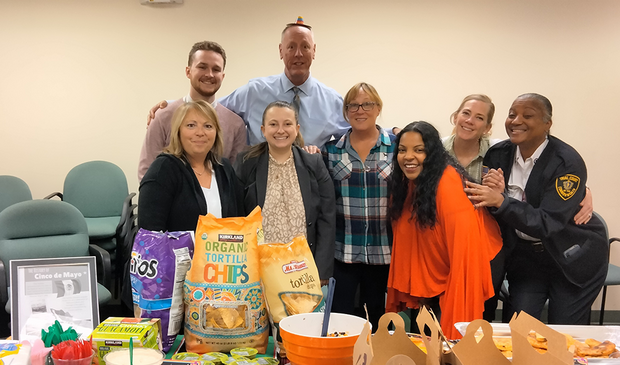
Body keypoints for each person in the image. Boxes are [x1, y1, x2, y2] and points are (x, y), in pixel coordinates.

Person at [465, 93, 607, 324]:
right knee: (518, 327)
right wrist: (497, 198)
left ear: (547, 124)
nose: (516, 121)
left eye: (527, 116)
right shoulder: (499, 154)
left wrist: (501, 200)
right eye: (512, 115)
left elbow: (547, 222)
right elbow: (492, 209)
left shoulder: (566, 162)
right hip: (527, 259)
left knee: (564, 333)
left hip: (571, 256)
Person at [386, 121, 502, 340]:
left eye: (419, 150)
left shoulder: (448, 185)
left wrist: (453, 313)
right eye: (402, 150)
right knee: (427, 339)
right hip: (439, 265)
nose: (408, 156)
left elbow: (464, 257)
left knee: (453, 337)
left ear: (432, 153)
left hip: (470, 265)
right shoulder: (406, 182)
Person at [235, 101, 336, 283]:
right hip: (258, 269)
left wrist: (321, 272)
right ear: (263, 130)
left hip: (303, 269)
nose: (280, 130)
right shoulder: (246, 163)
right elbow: (236, 216)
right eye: (273, 124)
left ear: (297, 128)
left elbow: (327, 219)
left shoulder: (314, 164)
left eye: (287, 124)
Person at [322, 82, 394, 331]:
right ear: (346, 111)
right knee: (340, 321)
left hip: (385, 252)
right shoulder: (331, 150)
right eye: (353, 105)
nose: (360, 110)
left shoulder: (396, 147)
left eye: (367, 104)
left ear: (378, 108)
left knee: (378, 320)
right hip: (344, 252)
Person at [138, 41, 246, 180]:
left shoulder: (235, 124)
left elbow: (236, 178)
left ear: (223, 76)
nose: (210, 74)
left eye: (216, 69)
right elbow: (146, 172)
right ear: (188, 71)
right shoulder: (162, 117)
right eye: (202, 67)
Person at [139, 100, 243, 232]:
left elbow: (240, 223)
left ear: (216, 133)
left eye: (208, 126)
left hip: (224, 252)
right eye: (191, 125)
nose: (200, 132)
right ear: (178, 131)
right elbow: (149, 234)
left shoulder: (224, 169)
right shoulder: (162, 170)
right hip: (176, 253)